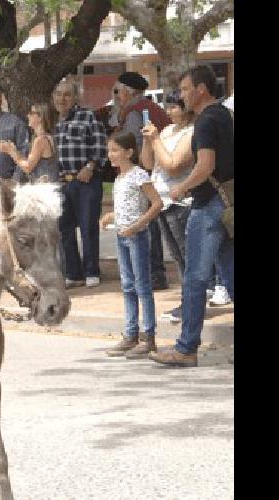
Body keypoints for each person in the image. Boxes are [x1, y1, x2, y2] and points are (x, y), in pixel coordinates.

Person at [150, 65, 234, 367]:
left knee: (195, 277)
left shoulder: (206, 121)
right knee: (230, 274)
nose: (181, 95)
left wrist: (182, 188)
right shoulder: (225, 115)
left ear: (201, 89)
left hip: (207, 205)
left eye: (185, 89)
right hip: (226, 205)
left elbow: (206, 166)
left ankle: (186, 348)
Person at [100, 132, 163, 358]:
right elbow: (126, 208)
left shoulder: (139, 175)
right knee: (127, 285)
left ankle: (149, 336)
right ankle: (130, 334)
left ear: (129, 152)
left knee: (142, 286)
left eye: (115, 151)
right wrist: (112, 216)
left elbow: (157, 204)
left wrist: (138, 226)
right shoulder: (119, 179)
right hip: (121, 236)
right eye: (109, 151)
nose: (111, 155)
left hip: (137, 237)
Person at [140, 89, 195, 323]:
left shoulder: (192, 132)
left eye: (174, 107)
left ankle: (193, 302)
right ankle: (187, 301)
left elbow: (172, 165)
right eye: (168, 107)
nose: (169, 112)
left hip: (180, 202)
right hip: (162, 201)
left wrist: (155, 140)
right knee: (176, 256)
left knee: (187, 255)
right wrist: (148, 140)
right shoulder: (167, 131)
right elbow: (149, 162)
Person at [114, 72, 172, 290]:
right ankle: (155, 273)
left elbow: (133, 148)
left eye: (118, 91)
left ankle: (154, 274)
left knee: (148, 225)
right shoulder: (151, 108)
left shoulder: (134, 113)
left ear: (127, 92)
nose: (117, 96)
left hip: (147, 173)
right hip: (160, 172)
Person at [52, 78, 109, 288]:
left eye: (67, 94)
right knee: (64, 229)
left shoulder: (87, 116)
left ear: (75, 97)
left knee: (88, 227)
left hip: (86, 181)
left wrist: (90, 166)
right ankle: (73, 273)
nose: (62, 98)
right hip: (62, 182)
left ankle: (92, 271)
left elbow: (100, 145)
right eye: (58, 94)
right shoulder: (53, 122)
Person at [0, 103, 59, 183]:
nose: (28, 115)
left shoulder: (40, 140)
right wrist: (14, 150)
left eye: (31, 113)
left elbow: (28, 167)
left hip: (44, 190)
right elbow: (29, 162)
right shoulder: (48, 137)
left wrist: (11, 151)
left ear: (40, 117)